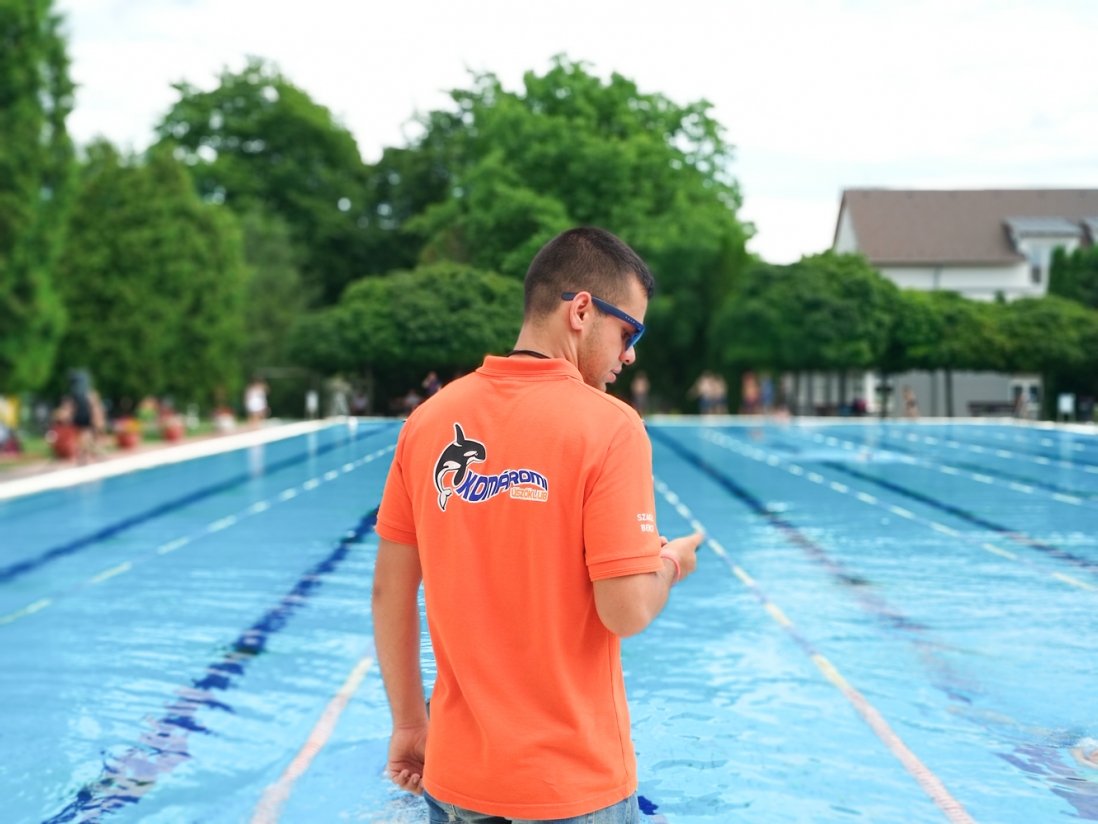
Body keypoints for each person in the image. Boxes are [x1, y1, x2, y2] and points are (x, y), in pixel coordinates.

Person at [372, 227, 703, 823]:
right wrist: (671, 563)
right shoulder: (611, 427)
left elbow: (389, 592)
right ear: (582, 311)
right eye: (629, 332)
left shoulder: (427, 421)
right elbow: (625, 610)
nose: (630, 355)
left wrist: (409, 724)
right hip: (572, 786)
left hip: (455, 780)